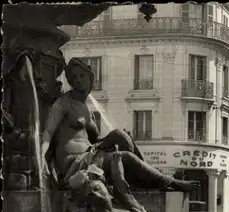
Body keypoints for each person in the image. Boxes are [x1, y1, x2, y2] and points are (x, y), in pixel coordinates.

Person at [42, 57, 199, 194]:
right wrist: (41, 157)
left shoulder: (86, 109)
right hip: (74, 163)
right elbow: (48, 133)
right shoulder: (63, 103)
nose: (77, 80)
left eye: (81, 75)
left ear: (90, 78)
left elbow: (97, 139)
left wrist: (121, 138)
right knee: (127, 157)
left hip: (90, 154)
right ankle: (169, 182)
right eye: (73, 77)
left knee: (120, 135)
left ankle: (140, 180)